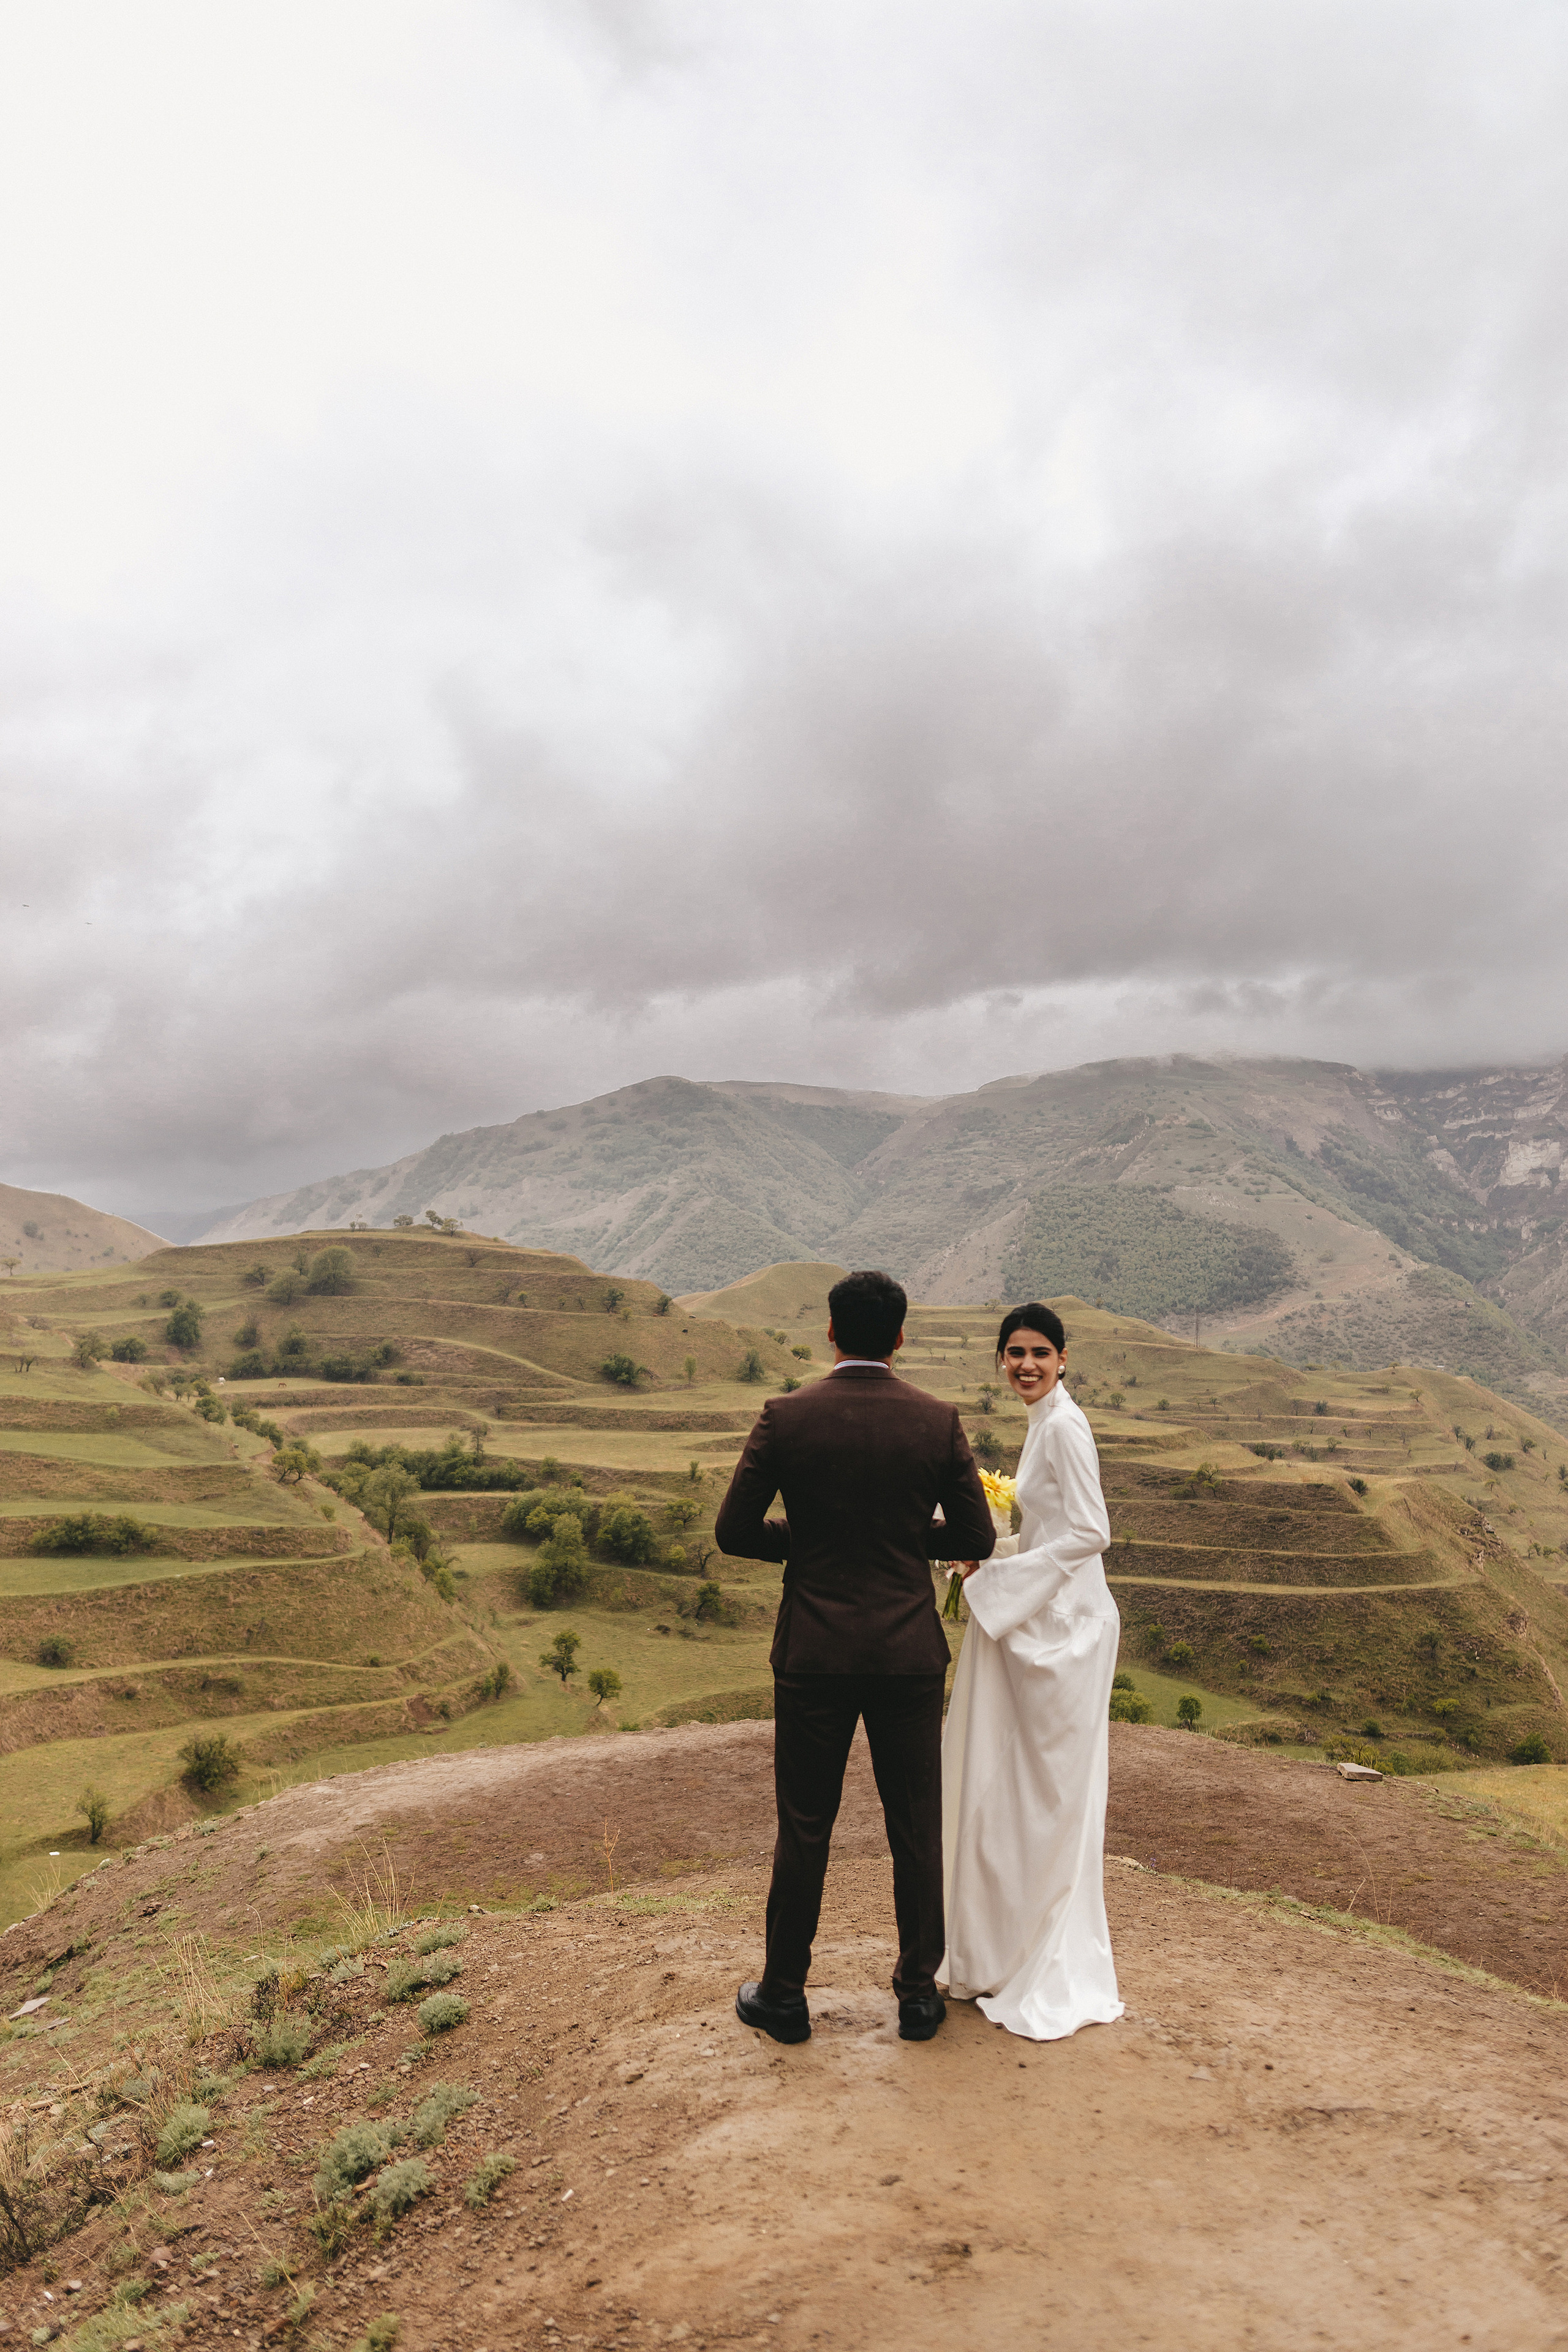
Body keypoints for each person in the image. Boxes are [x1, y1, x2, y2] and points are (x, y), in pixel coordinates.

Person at [714, 1268, 995, 2045]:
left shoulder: (785, 1416)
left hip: (813, 1652)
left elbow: (734, 1532)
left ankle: (783, 1994)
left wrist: (809, 1541)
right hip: (907, 1652)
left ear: (832, 1332)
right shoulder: (936, 1420)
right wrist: (903, 1540)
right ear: (899, 1336)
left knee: (805, 1824)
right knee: (916, 1825)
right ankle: (917, 1995)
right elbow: (975, 1536)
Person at [940, 1303, 1123, 2041]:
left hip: (1068, 1630)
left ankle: (1037, 1955)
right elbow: (1051, 1531)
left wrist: (998, 1583)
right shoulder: (1042, 1422)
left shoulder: (1065, 1426)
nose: (1026, 1364)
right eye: (1014, 1352)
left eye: (1040, 1353)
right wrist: (995, 1554)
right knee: (1020, 1794)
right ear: (1000, 1359)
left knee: (1046, 1798)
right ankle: (1005, 1947)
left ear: (1063, 1358)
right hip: (1049, 1616)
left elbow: (1091, 1531)